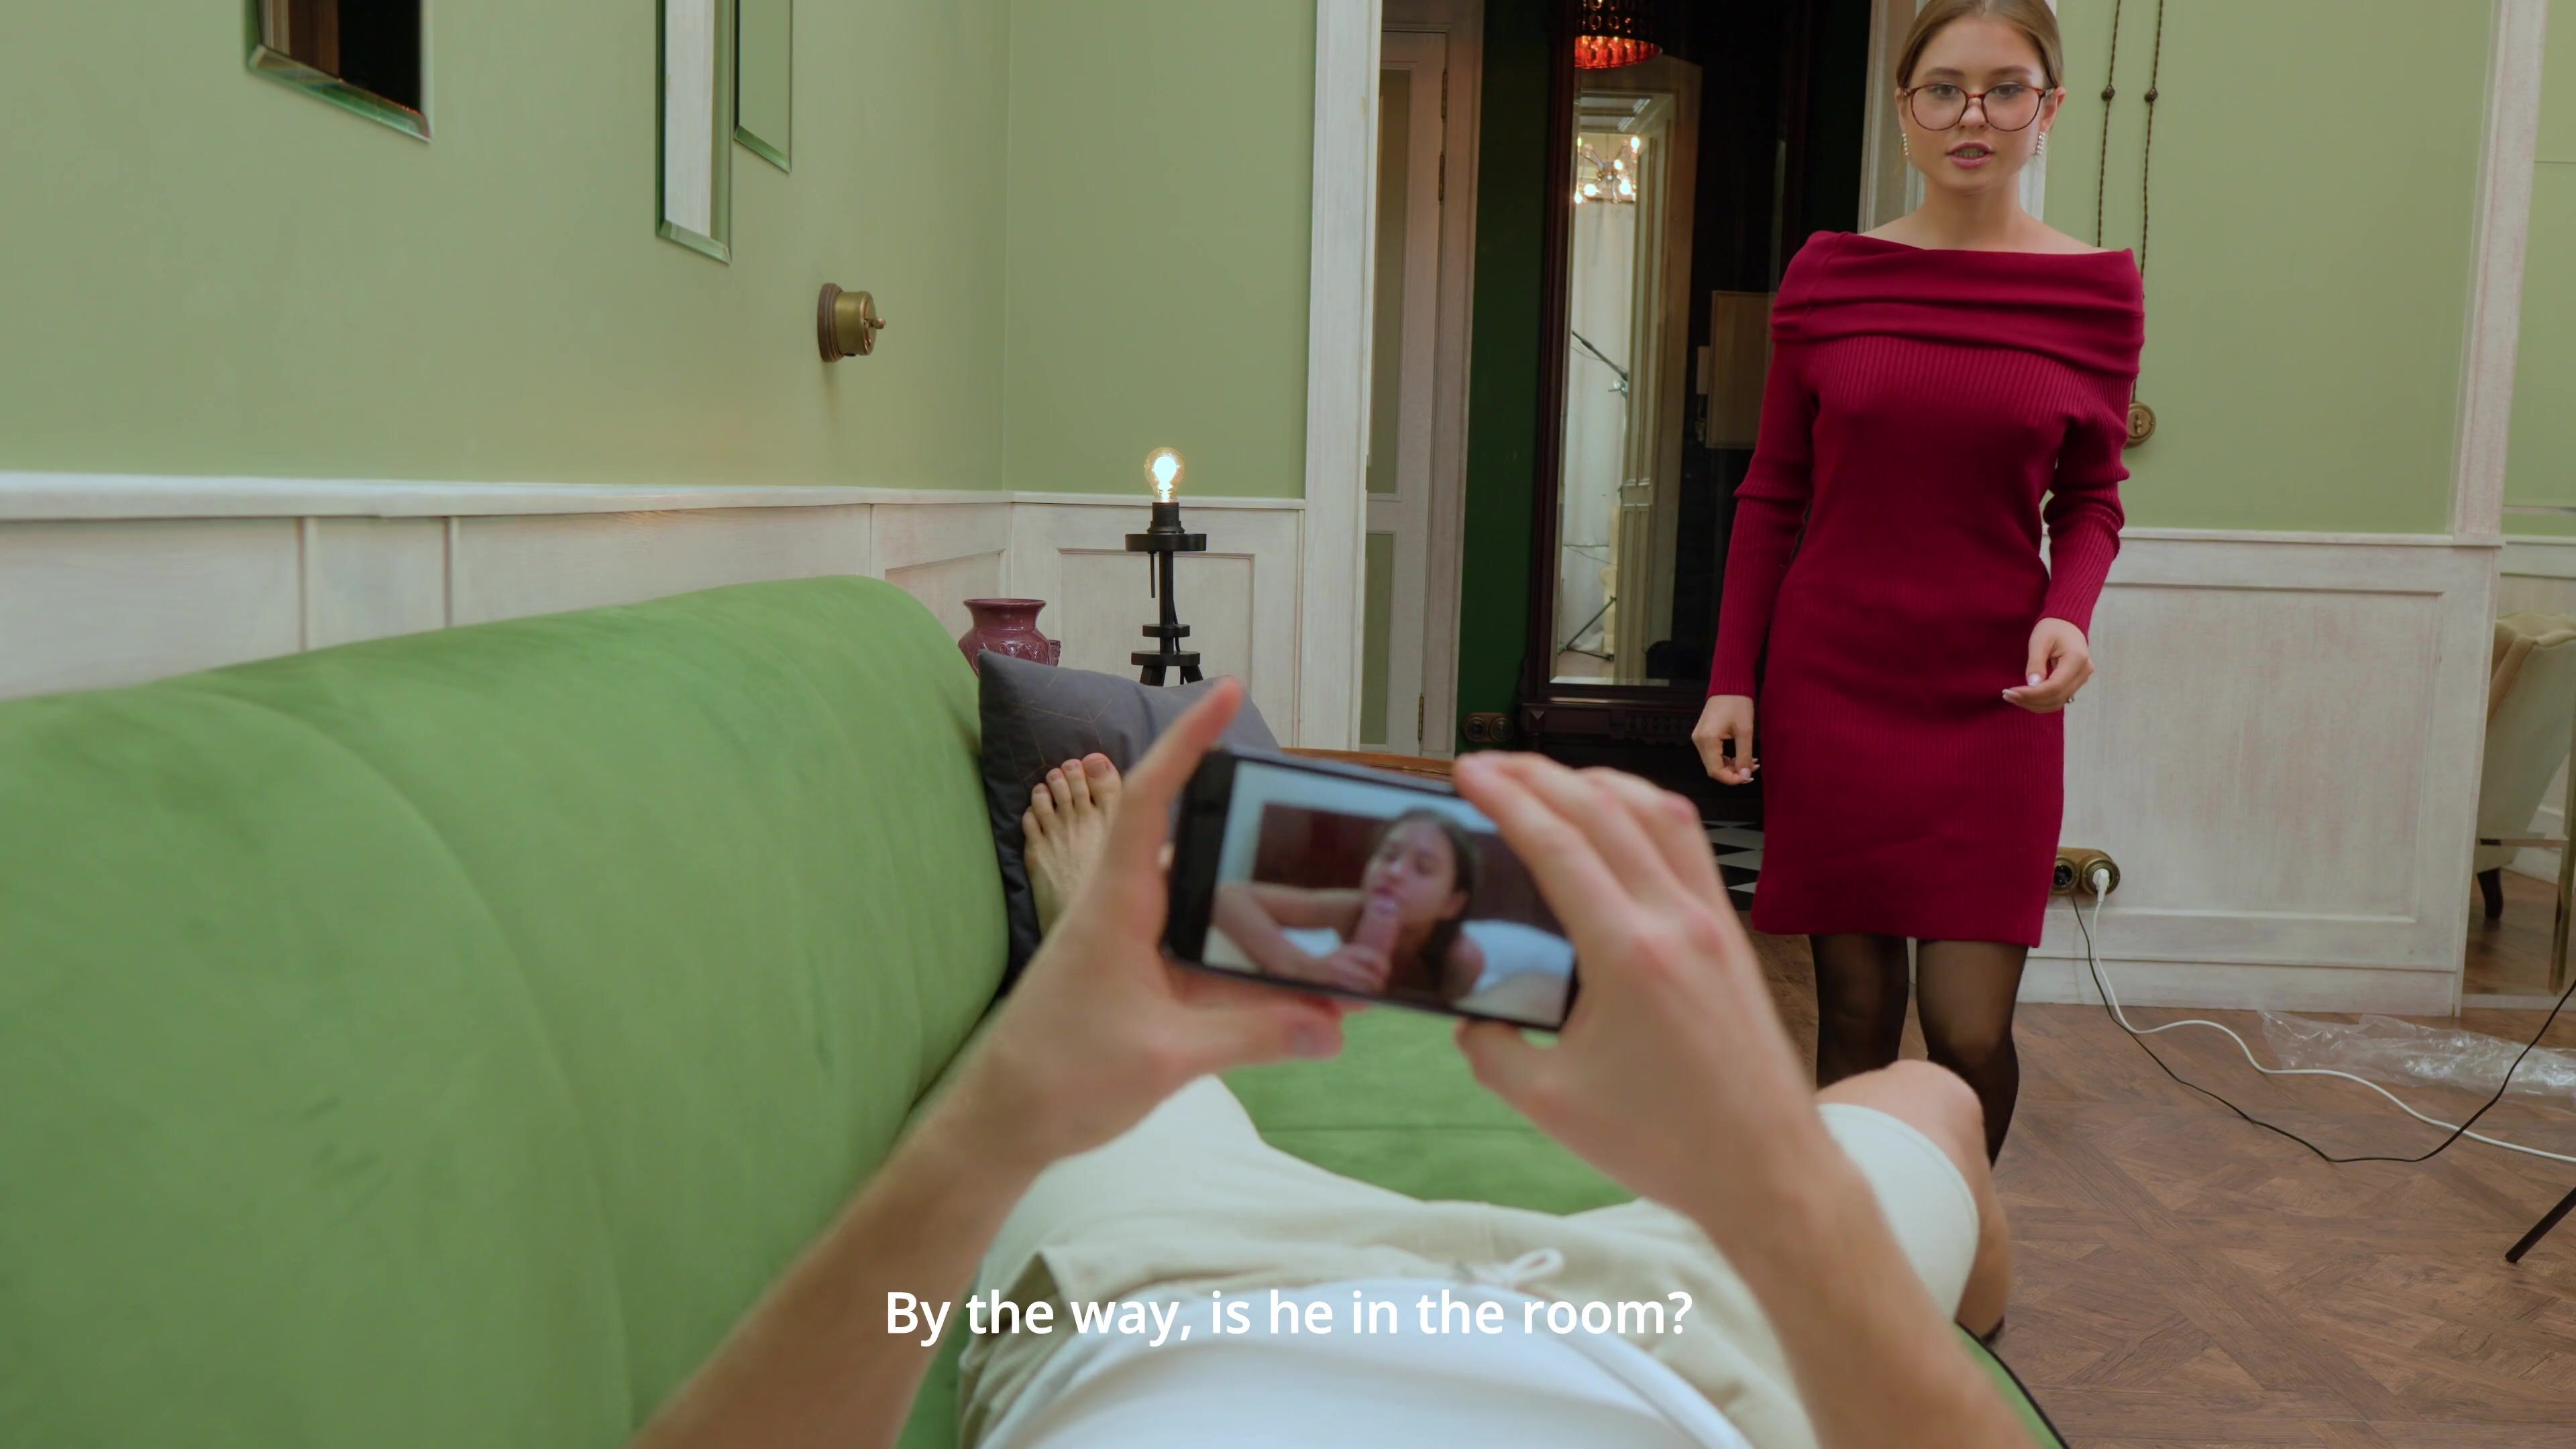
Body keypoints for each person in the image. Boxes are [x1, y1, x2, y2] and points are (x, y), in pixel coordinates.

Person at [628, 683, 2026, 1449]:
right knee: (1930, 1100)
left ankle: (1083, 950)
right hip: (1669, 1354)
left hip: (1159, 1310)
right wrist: (1772, 1194)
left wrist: (996, 1126)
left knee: (1119, 1091)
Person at [1690, 0, 2144, 1161]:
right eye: (1944, 88)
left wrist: (2069, 614)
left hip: (1994, 697)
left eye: (2005, 88)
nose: (1972, 115)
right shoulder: (1830, 276)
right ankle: (1868, 1249)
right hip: (1837, 681)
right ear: (1905, 111)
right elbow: (1772, 493)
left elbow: (2092, 499)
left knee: (1968, 1029)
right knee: (1853, 1014)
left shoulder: (2097, 291)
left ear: (2047, 109)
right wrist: (1732, 678)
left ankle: (1958, 1230)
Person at [1208, 808, 1487, 1002]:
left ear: (1451, 904)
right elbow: (1227, 896)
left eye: (1423, 868)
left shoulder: (1462, 961)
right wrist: (1299, 966)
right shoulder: (1350, 909)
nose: (1394, 872)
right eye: (1389, 855)